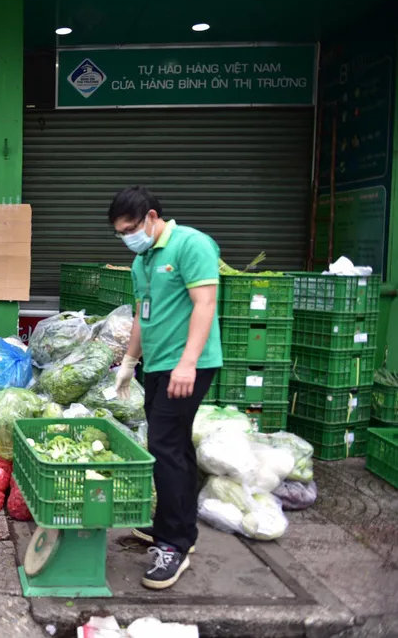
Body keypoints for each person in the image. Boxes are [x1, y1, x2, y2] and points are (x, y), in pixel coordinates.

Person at [109, 186, 222, 590]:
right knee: (174, 447)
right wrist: (129, 361)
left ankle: (173, 544)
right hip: (157, 366)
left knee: (165, 447)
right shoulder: (143, 260)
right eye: (120, 233)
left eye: (130, 229)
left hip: (187, 366)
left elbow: (205, 304)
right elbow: (144, 312)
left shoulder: (192, 245)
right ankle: (174, 527)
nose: (127, 238)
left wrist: (187, 363)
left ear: (152, 217)